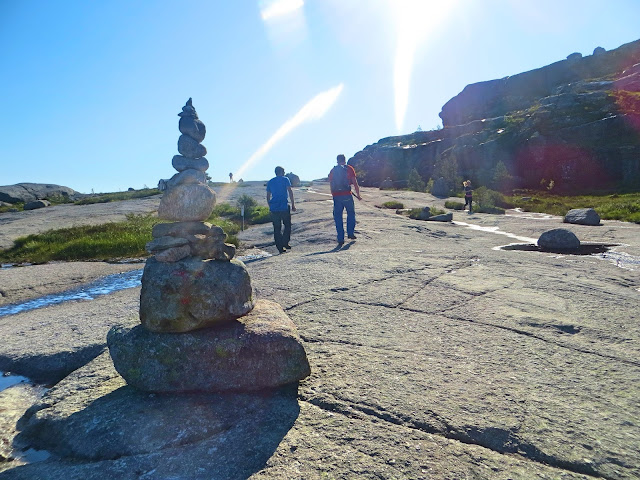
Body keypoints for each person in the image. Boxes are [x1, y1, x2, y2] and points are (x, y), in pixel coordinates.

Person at [329, 154, 361, 246]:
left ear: (337, 160)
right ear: (345, 160)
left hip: (337, 196)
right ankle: (350, 233)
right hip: (347, 195)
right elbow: (355, 183)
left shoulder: (333, 170)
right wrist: (358, 195)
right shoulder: (349, 168)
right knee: (350, 213)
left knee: (338, 216)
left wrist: (334, 194)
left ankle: (340, 238)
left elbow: (331, 184)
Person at [266, 166, 296, 253]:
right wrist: (293, 204)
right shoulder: (285, 179)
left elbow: (268, 196)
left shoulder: (271, 181)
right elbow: (290, 191)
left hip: (274, 208)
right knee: (287, 225)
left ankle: (280, 247)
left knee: (277, 228)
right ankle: (285, 242)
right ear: (282, 172)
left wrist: (270, 206)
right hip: (283, 206)